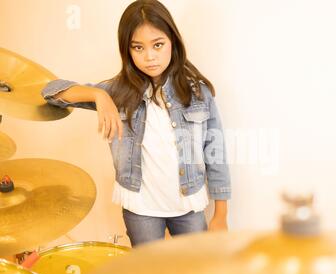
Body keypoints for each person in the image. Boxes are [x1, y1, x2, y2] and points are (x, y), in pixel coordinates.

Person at [41, 0, 231, 247]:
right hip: (141, 208)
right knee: (146, 273)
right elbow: (51, 92)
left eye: (158, 45)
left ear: (173, 42)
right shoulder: (117, 92)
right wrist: (99, 96)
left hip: (189, 204)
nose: (149, 57)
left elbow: (216, 155)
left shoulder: (198, 93)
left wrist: (221, 214)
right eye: (138, 48)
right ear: (127, 50)